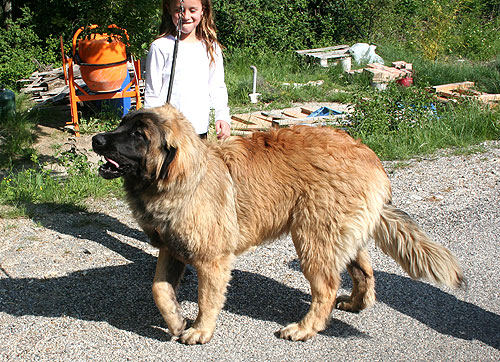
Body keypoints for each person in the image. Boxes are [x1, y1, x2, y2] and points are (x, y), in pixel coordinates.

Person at [144, 0, 231, 139]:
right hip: (169, 131)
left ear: (203, 10)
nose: (186, 16)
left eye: (193, 10)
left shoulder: (211, 48)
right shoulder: (160, 47)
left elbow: (217, 87)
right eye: (180, 10)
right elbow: (152, 93)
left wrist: (222, 117)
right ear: (169, 9)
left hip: (199, 130)